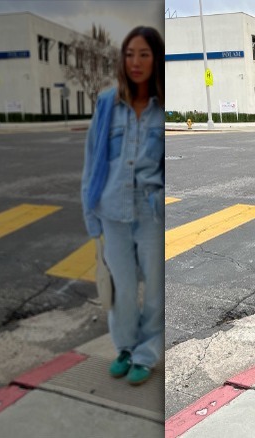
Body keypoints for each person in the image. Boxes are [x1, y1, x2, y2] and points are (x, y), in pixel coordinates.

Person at [81, 26, 165, 385]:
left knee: (157, 288)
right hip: (111, 208)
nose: (135, 61)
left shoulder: (164, 106)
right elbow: (92, 157)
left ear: (155, 58)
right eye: (129, 54)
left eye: (144, 54)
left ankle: (147, 353)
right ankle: (126, 348)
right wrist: (90, 212)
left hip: (151, 211)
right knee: (123, 287)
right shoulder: (106, 103)